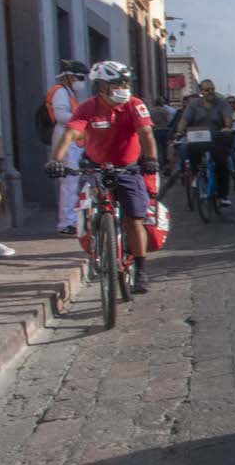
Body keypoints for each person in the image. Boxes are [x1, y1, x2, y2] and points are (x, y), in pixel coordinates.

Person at [46, 61, 158, 293]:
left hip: (127, 168)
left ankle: (141, 270)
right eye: (116, 84)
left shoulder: (134, 105)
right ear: (101, 87)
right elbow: (70, 134)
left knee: (134, 220)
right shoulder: (87, 107)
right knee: (93, 203)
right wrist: (56, 160)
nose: (122, 88)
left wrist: (151, 159)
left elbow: (146, 133)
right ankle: (99, 237)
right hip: (97, 167)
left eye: (125, 83)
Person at [45, 60, 90, 235]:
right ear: (69, 76)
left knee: (72, 181)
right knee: (69, 182)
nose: (81, 81)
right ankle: (66, 223)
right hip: (65, 139)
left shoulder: (67, 92)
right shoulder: (60, 92)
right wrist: (84, 119)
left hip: (71, 140)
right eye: (79, 77)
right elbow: (61, 115)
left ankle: (71, 219)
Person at [177, 79, 234, 208]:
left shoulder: (222, 103)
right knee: (188, 151)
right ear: (201, 91)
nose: (210, 92)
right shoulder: (194, 104)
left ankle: (223, 196)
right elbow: (185, 119)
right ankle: (195, 175)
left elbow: (228, 118)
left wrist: (227, 127)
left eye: (212, 89)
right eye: (207, 90)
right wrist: (179, 131)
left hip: (217, 137)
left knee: (222, 163)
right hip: (197, 137)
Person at [148, 97, 177, 175]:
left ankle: (159, 163)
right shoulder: (165, 111)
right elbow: (169, 121)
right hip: (165, 130)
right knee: (165, 148)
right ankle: (165, 163)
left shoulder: (151, 111)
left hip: (155, 130)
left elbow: (149, 121)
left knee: (158, 147)